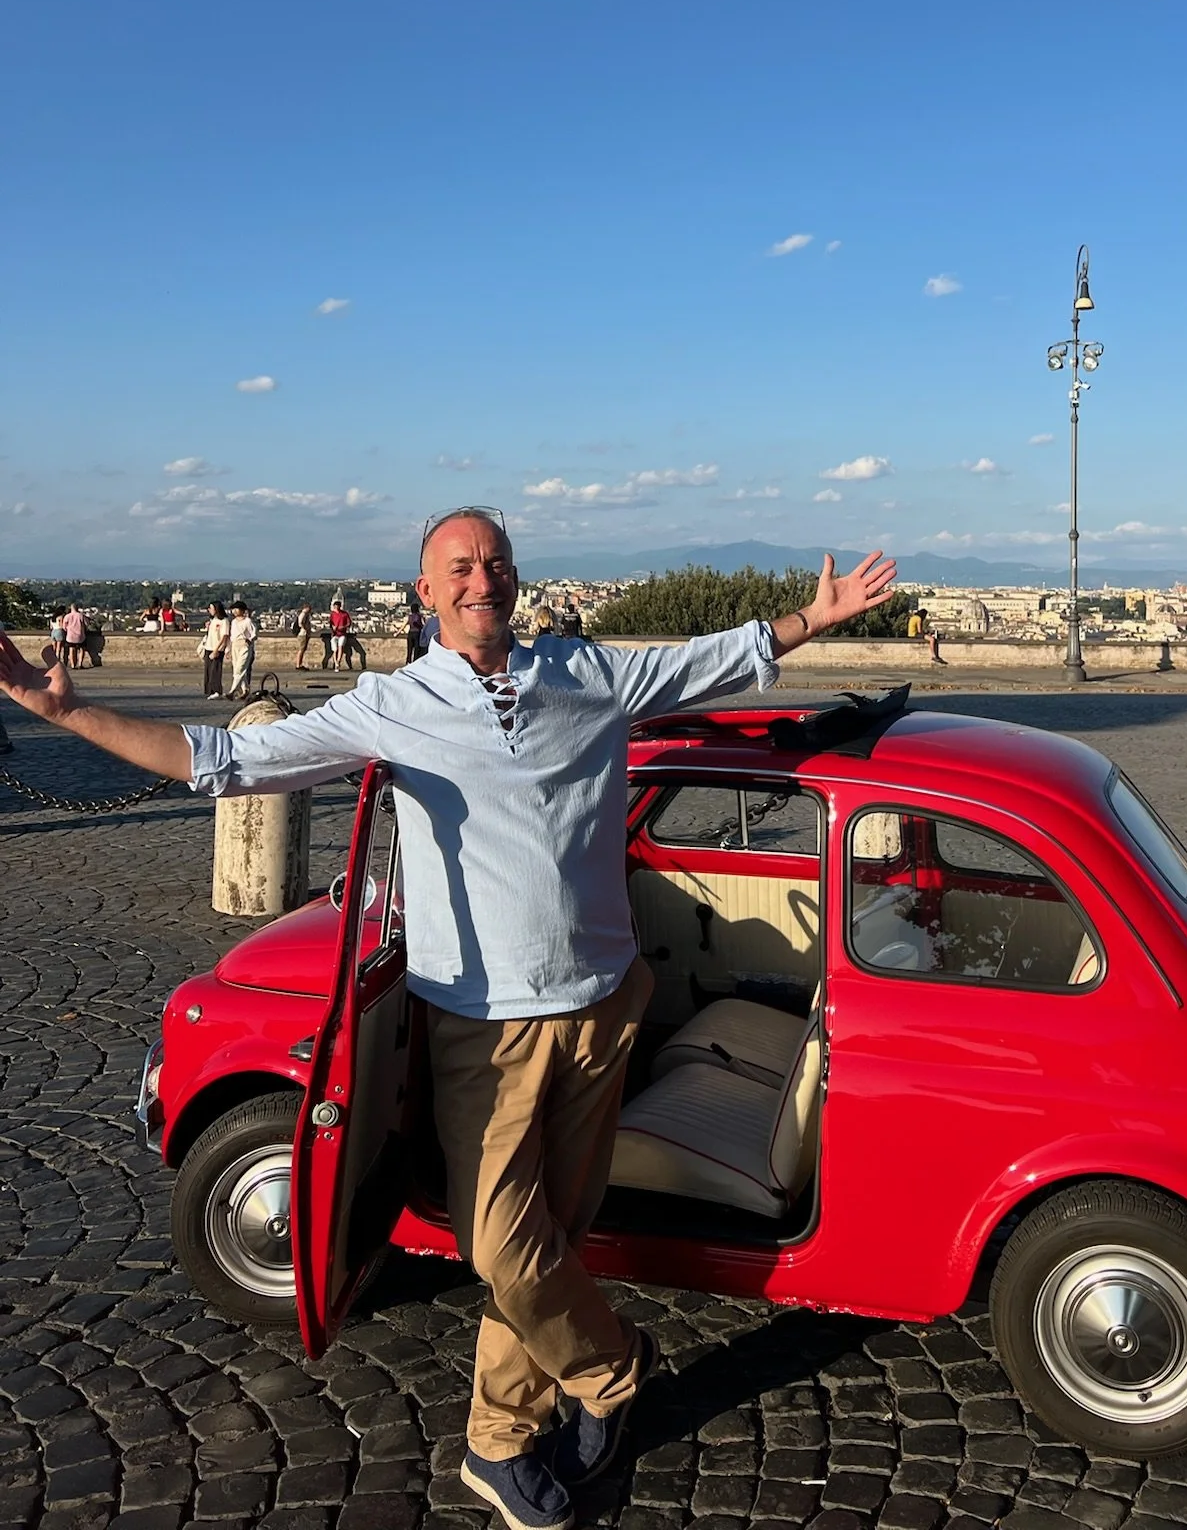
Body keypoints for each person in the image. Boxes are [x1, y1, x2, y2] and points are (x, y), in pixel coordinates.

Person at [0, 511, 896, 1530]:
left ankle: (498, 1441)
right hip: (483, 1024)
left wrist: (808, 621)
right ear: (424, 590)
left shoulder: (583, 673)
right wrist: (68, 710)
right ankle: (613, 1367)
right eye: (460, 565)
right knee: (503, 1243)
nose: (484, 578)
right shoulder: (391, 704)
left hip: (603, 1009)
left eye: (498, 562)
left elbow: (707, 662)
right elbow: (218, 758)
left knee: (553, 1236)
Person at [226, 602, 258, 701]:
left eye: (237, 609)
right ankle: (245, 689)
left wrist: (250, 640)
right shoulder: (234, 622)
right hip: (235, 645)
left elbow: (254, 633)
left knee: (239, 669)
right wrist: (229, 649)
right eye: (233, 609)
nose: (235, 611)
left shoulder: (248, 621)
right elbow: (232, 637)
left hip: (244, 645)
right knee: (238, 669)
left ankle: (232, 691)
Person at [200, 602, 230, 698]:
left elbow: (224, 636)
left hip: (217, 648)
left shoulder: (224, 621)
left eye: (211, 608)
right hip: (209, 647)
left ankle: (217, 690)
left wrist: (217, 649)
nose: (209, 610)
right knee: (208, 670)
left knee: (215, 670)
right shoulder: (213, 620)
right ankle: (209, 690)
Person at [62, 603, 88, 670]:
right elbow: (86, 623)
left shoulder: (67, 616)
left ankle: (73, 664)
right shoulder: (80, 615)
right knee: (82, 649)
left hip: (70, 636)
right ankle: (80, 664)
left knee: (71, 650)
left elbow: (64, 627)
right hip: (80, 636)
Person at [294, 602, 314, 670]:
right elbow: (300, 623)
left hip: (304, 633)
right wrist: (305, 629)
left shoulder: (304, 614)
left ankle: (299, 663)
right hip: (303, 634)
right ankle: (298, 664)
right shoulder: (303, 614)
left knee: (302, 649)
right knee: (301, 649)